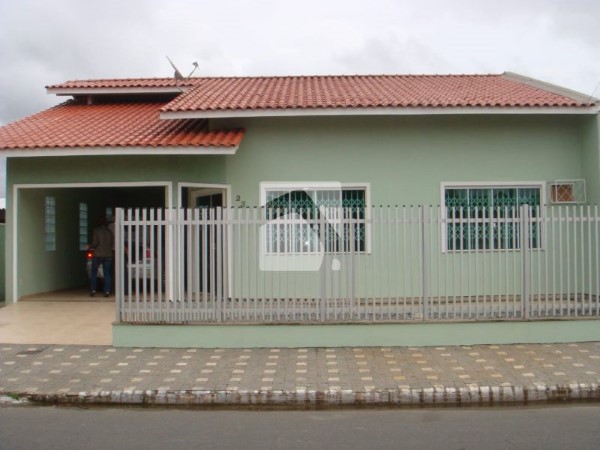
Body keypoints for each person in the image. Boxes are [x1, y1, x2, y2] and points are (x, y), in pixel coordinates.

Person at [89, 216, 114, 297]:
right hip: (108, 254)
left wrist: (89, 246)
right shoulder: (109, 232)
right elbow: (111, 243)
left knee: (94, 272)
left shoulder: (96, 231)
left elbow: (95, 243)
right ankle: (107, 291)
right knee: (107, 273)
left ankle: (93, 290)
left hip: (98, 254)